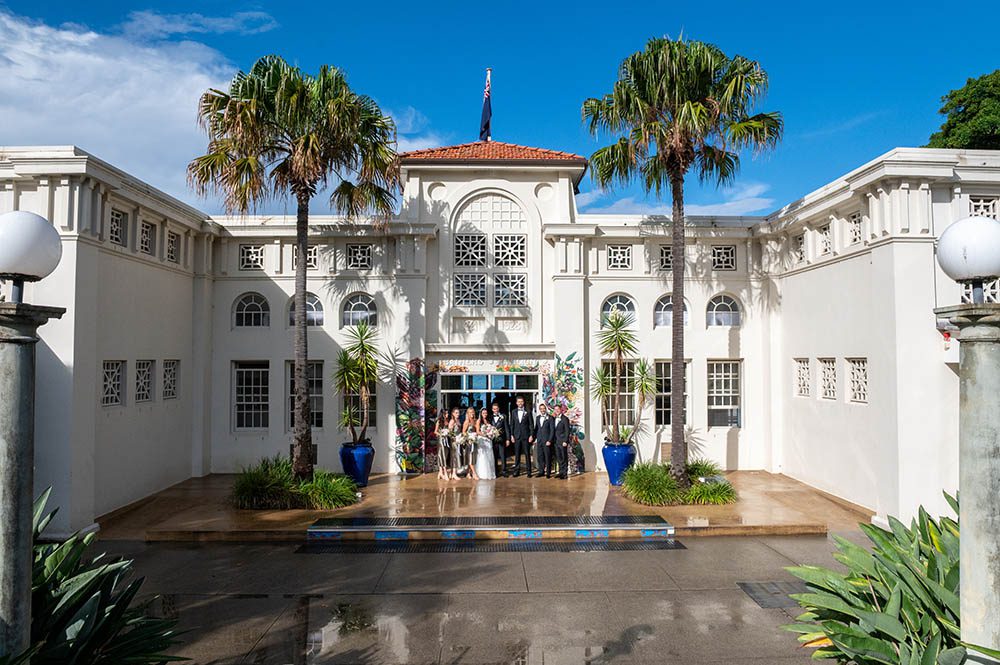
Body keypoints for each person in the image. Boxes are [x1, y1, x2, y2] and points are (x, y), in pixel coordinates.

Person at [509, 396, 533, 477]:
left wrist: (531, 435)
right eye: (518, 402)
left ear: (523, 402)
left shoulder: (528, 412)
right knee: (517, 454)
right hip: (516, 436)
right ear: (516, 403)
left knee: (527, 454)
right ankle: (517, 471)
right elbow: (512, 425)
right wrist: (511, 435)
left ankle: (529, 471)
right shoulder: (513, 412)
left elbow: (531, 425)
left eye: (521, 401)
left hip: (526, 436)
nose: (520, 403)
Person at [474, 407, 496, 480]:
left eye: (486, 413)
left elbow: (491, 429)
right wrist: (485, 434)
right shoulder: (478, 421)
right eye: (483, 413)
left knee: (489, 455)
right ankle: (482, 473)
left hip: (488, 440)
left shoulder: (488, 421)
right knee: (483, 456)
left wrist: (491, 434)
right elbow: (477, 431)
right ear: (481, 413)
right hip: (482, 439)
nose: (485, 414)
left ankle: (490, 472)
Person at [534, 402, 555, 479]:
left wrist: (549, 440)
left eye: (543, 408)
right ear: (539, 410)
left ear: (546, 409)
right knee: (540, 457)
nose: (542, 410)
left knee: (547, 456)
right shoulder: (538, 418)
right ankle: (541, 471)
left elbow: (552, 430)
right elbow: (536, 429)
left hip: (547, 441)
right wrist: (534, 438)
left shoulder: (550, 418)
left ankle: (548, 472)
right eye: (541, 409)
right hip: (539, 440)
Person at [489, 402, 509, 477]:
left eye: (496, 409)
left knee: (503, 455)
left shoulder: (503, 416)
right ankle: (496, 471)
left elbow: (507, 428)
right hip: (493, 440)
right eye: (494, 409)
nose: (495, 410)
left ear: (498, 409)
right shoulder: (490, 417)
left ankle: (504, 471)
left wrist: (508, 439)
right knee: (494, 456)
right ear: (492, 409)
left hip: (502, 439)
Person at [434, 410, 454, 480]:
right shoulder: (439, 421)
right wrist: (442, 434)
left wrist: (448, 433)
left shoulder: (447, 421)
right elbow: (435, 431)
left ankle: (440, 473)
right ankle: (445, 472)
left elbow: (449, 430)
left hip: (447, 440)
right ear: (442, 414)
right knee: (441, 455)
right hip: (441, 440)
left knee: (445, 455)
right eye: (445, 413)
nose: (447, 414)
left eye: (447, 413)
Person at [553, 404, 571, 479]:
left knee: (564, 457)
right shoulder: (553, 418)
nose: (557, 410)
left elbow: (567, 431)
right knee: (558, 457)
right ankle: (560, 472)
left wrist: (565, 441)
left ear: (561, 410)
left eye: (558, 409)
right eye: (555, 409)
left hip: (562, 441)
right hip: (556, 441)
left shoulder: (565, 419)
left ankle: (564, 473)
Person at [461, 406, 479, 479]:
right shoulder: (466, 422)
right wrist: (469, 437)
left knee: (472, 457)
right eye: (470, 412)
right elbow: (463, 432)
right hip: (469, 442)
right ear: (467, 413)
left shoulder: (475, 421)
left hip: (474, 441)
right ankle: (474, 473)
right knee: (470, 457)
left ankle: (468, 473)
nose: (472, 413)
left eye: (473, 412)